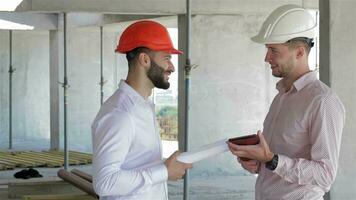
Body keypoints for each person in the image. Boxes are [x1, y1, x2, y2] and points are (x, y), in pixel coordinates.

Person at [228, 4, 345, 200]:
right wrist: (258, 162)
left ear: (299, 52)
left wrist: (272, 160)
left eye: (274, 50)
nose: (267, 58)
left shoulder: (323, 102)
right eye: (267, 50)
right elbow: (278, 158)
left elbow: (325, 176)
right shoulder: (282, 96)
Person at [91, 20, 192, 200]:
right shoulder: (120, 113)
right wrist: (164, 172)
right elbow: (105, 183)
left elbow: (135, 163)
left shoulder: (142, 107)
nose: (172, 67)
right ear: (145, 59)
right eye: (167, 58)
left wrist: (165, 166)